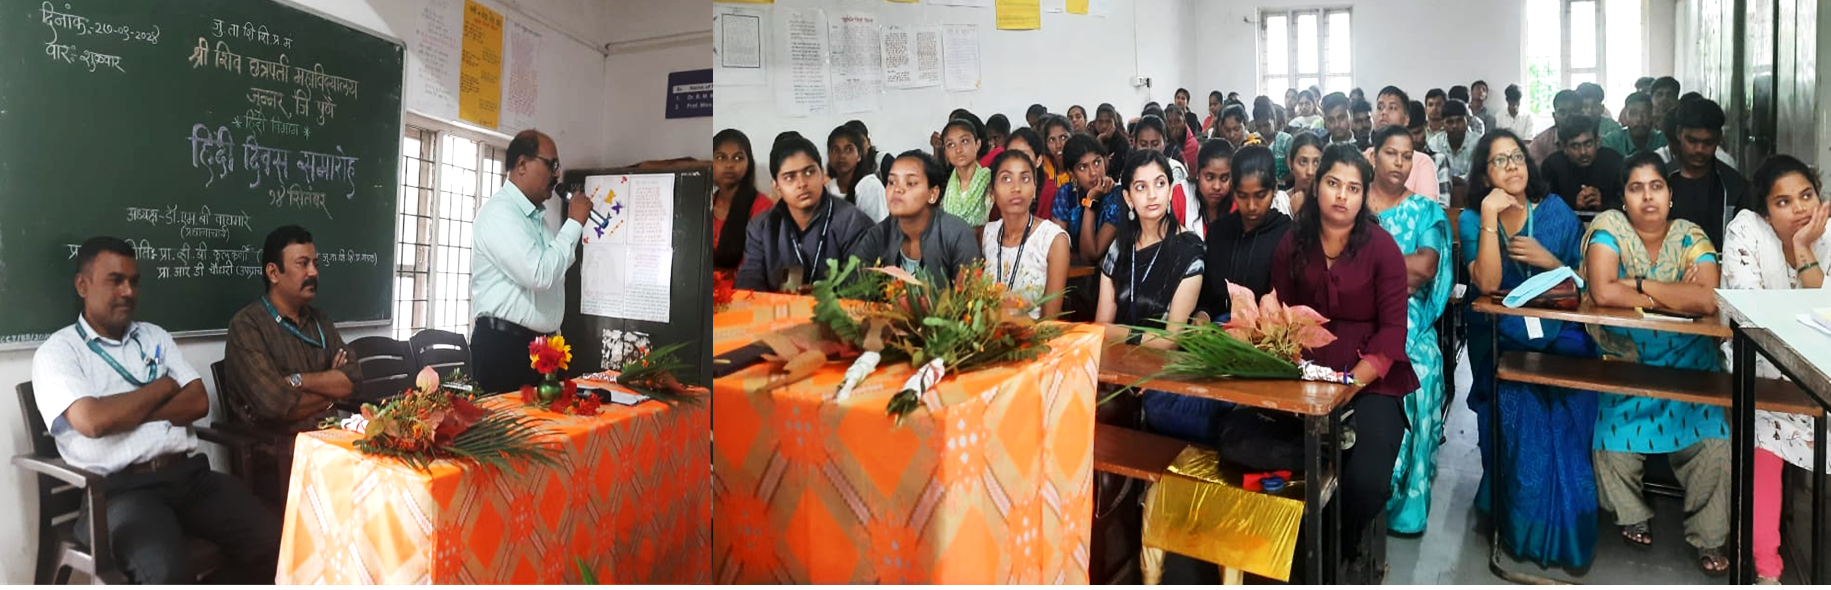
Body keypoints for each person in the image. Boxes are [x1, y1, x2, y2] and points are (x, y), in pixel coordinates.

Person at [33, 237, 280, 584]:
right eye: (115, 280)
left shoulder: (154, 338)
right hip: (118, 492)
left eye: (133, 281)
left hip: (188, 477)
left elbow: (197, 401)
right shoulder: (59, 352)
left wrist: (124, 412)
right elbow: (93, 421)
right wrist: (162, 388)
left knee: (277, 543)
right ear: (82, 285)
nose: (128, 292)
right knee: (165, 573)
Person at [1580, 151, 1732, 577]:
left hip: (1691, 365)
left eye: (1656, 186)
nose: (1648, 197)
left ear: (1670, 195)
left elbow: (1706, 299)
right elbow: (1603, 292)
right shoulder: (1609, 228)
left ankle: (1708, 536)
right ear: (1623, 198)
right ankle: (1631, 514)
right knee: (1610, 444)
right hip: (1626, 362)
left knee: (1715, 447)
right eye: (1636, 188)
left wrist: (1638, 284)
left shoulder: (1690, 235)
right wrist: (1672, 294)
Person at [1269, 144, 1418, 576]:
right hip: (1300, 376)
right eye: (1333, 183)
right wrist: (1293, 367)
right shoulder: (1293, 241)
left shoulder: (1383, 249)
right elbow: (1278, 313)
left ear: (1364, 195)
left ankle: (1340, 545)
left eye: (1353, 188)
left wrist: (1349, 384)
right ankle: (1289, 547)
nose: (1341, 195)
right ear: (1317, 186)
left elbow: (1392, 333)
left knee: (1367, 480)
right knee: (1263, 455)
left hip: (1368, 381)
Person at [1462, 129, 1601, 569]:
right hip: (1499, 335)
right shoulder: (1472, 219)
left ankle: (1566, 532)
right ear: (1484, 174)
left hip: (1560, 331)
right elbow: (1487, 284)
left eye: (1517, 157)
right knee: (1520, 405)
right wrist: (1490, 216)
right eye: (1499, 160)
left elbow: (1584, 285)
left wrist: (1548, 260)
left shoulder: (1555, 211)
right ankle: (1520, 527)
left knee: (1567, 404)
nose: (1512, 166)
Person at [1719, 155, 1829, 585]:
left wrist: (1803, 249)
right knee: (1762, 437)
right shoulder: (1746, 230)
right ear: (1765, 212)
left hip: (1822, 368)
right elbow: (1752, 315)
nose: (1800, 208)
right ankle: (1767, 569)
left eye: (1806, 195)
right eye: (1783, 202)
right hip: (1762, 364)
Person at [221, 225, 361, 508]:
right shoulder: (247, 326)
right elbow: (274, 403)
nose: (313, 272)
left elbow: (353, 378)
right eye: (303, 264)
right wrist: (330, 392)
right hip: (282, 455)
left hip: (333, 445)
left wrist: (298, 380)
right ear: (274, 273)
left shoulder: (320, 321)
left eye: (315, 264)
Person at [1363, 126, 1453, 535]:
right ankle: (1362, 492)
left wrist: (1370, 271)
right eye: (1391, 154)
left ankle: (1406, 503)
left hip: (1407, 315)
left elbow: (1426, 267)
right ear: (1374, 156)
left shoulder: (1425, 211)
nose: (1399, 163)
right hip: (1354, 310)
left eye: (1407, 156)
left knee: (1423, 369)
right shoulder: (1353, 202)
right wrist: (1399, 272)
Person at [471, 129, 593, 393]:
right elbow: (539, 274)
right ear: (522, 164)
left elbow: (552, 272)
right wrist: (573, 223)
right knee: (510, 421)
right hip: (505, 349)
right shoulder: (499, 214)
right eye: (551, 165)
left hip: (540, 349)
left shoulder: (535, 219)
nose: (557, 175)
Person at [736, 132, 875, 293]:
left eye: (809, 172)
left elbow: (864, 285)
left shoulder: (853, 223)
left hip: (834, 308)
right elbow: (748, 282)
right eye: (789, 177)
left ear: (822, 174)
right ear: (776, 185)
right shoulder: (761, 227)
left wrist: (827, 295)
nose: (802, 183)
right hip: (776, 308)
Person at [850, 150, 981, 288]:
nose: (897, 189)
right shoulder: (879, 234)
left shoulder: (958, 234)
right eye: (892, 182)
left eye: (910, 183)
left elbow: (969, 295)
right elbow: (854, 287)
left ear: (933, 194)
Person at [1194, 144, 1292, 323]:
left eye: (1260, 195)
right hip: (1215, 332)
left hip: (1266, 334)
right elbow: (1206, 295)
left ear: (1275, 189)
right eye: (1242, 196)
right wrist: (1202, 314)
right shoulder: (1218, 232)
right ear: (1232, 190)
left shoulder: (1287, 235)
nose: (1252, 206)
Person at [982, 150, 1070, 319]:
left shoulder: (1053, 239)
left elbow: (1050, 321)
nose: (1016, 188)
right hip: (988, 334)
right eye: (1006, 179)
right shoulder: (986, 235)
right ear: (992, 192)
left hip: (1035, 333)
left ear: (1035, 189)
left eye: (1025, 179)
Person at [1659, 98, 1745, 246]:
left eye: (1708, 143)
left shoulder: (1734, 187)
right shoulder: (1660, 180)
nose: (1699, 149)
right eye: (1692, 141)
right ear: (1679, 134)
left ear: (1718, 138)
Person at [1053, 133, 1123, 265]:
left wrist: (1090, 202)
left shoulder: (1118, 196)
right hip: (1072, 271)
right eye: (1083, 167)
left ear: (1105, 161)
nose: (1093, 173)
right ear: (1071, 174)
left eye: (1097, 162)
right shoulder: (1067, 193)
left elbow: (1090, 256)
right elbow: (1056, 247)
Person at [713, 129, 774, 270]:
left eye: (738, 158)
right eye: (721, 157)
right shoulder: (704, 205)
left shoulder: (762, 208)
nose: (729, 165)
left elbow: (762, 265)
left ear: (749, 163)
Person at [1541, 115, 1627, 214]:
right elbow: (1546, 209)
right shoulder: (1552, 166)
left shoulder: (1614, 162)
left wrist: (1604, 205)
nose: (1583, 152)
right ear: (1564, 148)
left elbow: (1627, 205)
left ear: (1598, 142)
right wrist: (1573, 206)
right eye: (1575, 146)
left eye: (1588, 144)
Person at [1372, 86, 1443, 203]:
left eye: (1392, 108)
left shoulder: (1421, 162)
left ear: (1406, 120)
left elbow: (1426, 209)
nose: (1384, 112)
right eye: (1380, 107)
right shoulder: (1363, 158)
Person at [938, 118, 994, 230]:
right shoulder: (944, 187)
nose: (958, 150)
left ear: (977, 144)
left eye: (964, 141)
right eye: (951, 145)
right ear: (945, 152)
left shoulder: (991, 182)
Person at [827, 124, 887, 222]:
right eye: (835, 150)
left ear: (859, 155)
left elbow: (879, 229)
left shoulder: (870, 187)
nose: (842, 155)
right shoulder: (828, 189)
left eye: (849, 149)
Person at [1003, 126, 1058, 218]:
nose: (1016, 161)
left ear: (1038, 160)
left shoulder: (1051, 193)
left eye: (1024, 155)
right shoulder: (1002, 189)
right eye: (1011, 155)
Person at [1427, 99, 1481, 180]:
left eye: (1459, 121)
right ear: (1442, 124)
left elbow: (1475, 175)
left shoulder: (1478, 143)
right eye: (1449, 122)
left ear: (1467, 121)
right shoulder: (1434, 144)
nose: (1455, 126)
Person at [1601, 92, 1667, 157]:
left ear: (1652, 116)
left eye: (1646, 113)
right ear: (1625, 116)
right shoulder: (1612, 141)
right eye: (1633, 113)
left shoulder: (1662, 141)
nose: (1639, 119)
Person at [1529, 90, 1585, 166]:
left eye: (1573, 111)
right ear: (1554, 115)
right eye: (1562, 112)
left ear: (1582, 114)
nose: (1568, 116)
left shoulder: (1592, 140)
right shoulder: (1540, 143)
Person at [1285, 132, 1326, 216]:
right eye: (1303, 162)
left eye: (1316, 162)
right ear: (1290, 163)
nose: (1310, 172)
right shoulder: (1279, 203)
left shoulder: (1328, 204)